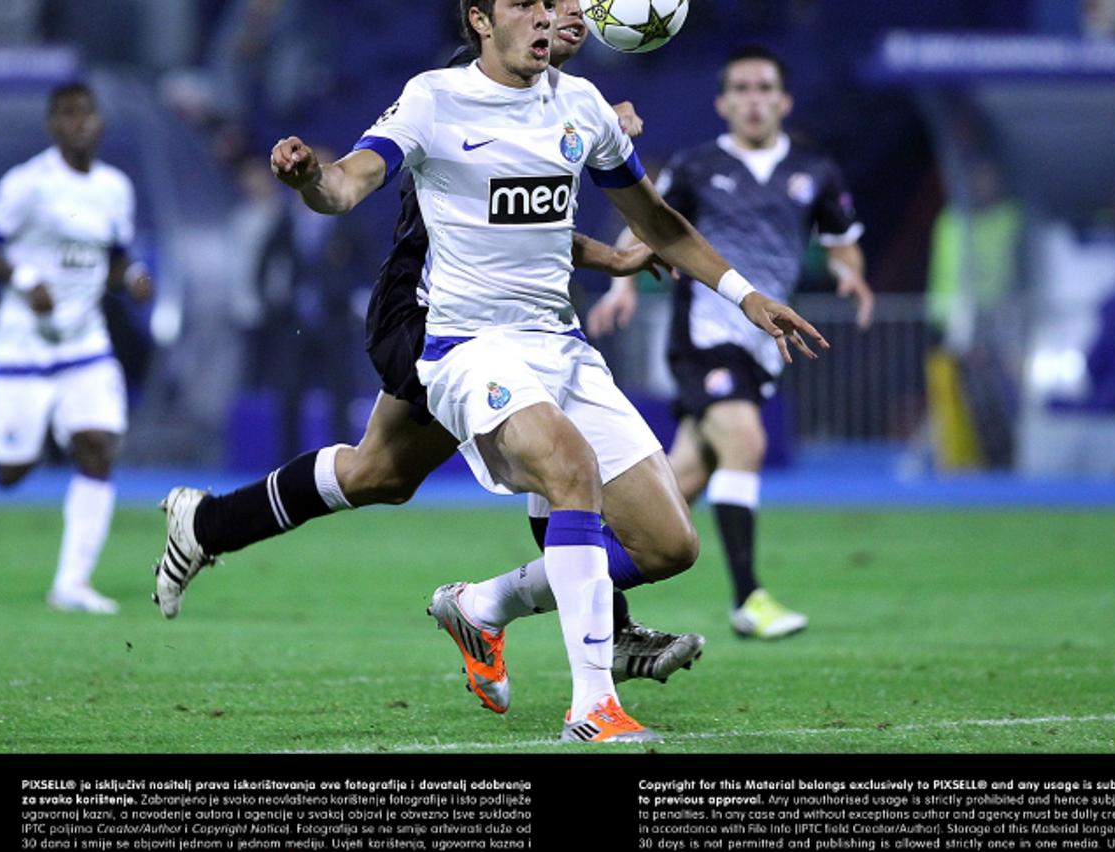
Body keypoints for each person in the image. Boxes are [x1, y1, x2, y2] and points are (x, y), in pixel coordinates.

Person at [254, 0, 825, 742]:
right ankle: (593, 708)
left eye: (550, 3)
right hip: (467, 347)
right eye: (523, 4)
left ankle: (482, 605)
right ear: (480, 19)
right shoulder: (433, 97)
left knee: (668, 545)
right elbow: (346, 185)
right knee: (567, 467)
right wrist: (308, 180)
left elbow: (656, 222)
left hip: (558, 346)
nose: (545, 17)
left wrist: (746, 296)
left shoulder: (583, 105)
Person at [154, 1, 713, 719]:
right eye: (549, 6)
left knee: (383, 473)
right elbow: (476, 215)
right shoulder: (461, 89)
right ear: (489, 24)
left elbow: (536, 225)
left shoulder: (566, 105)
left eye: (573, 7)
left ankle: (206, 526)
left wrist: (609, 250)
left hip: (505, 318)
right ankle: (591, 630)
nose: (568, 17)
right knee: (539, 456)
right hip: (426, 305)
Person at [589, 46, 871, 639]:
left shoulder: (815, 173)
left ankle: (574, 575)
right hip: (705, 336)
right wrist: (624, 288)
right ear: (722, 102)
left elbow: (843, 238)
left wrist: (851, 273)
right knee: (745, 438)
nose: (753, 98)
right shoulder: (695, 166)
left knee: (680, 485)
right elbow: (646, 220)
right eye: (740, 88)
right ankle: (749, 598)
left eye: (764, 87)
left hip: (765, 344)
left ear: (784, 100)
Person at [0, 82, 152, 614]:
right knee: (12, 470)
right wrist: (23, 278)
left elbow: (113, 260)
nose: (77, 123)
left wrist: (131, 277)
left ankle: (71, 584)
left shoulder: (115, 188)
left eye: (85, 113)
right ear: (51, 126)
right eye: (65, 114)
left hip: (84, 342)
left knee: (98, 447)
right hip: (24, 346)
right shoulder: (28, 184)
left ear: (99, 122)